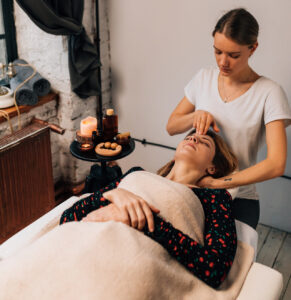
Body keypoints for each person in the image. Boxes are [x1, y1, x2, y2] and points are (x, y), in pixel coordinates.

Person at [60, 129, 238, 289]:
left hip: (133, 266)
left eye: (204, 142)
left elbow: (214, 268)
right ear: (175, 155)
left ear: (212, 168)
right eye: (190, 137)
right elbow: (68, 218)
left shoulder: (215, 197)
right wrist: (112, 194)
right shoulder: (136, 173)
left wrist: (139, 219)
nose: (193, 139)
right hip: (86, 247)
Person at [166, 8, 291, 230]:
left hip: (240, 197)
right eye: (217, 52)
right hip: (192, 189)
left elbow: (276, 164)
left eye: (233, 55)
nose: (223, 62)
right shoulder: (203, 77)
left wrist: (217, 184)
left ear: (253, 48)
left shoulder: (270, 92)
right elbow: (171, 126)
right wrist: (196, 115)